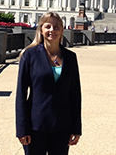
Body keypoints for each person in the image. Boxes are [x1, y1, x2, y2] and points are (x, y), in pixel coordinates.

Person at [15, 12, 82, 155]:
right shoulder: (29, 55)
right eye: (48, 26)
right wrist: (22, 128)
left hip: (62, 126)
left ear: (62, 30)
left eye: (56, 27)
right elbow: (21, 94)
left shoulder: (70, 57)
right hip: (35, 126)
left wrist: (76, 128)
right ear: (41, 29)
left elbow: (75, 95)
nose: (52, 30)